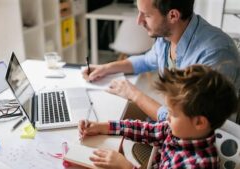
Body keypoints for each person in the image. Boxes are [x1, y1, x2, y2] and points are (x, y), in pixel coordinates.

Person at [83, 0, 240, 121]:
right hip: (174, 122)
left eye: (147, 15)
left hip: (204, 142)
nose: (139, 21)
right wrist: (107, 68)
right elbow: (147, 60)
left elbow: (186, 120)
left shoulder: (215, 54)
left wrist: (134, 94)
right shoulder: (167, 35)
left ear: (173, 15)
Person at [79, 65, 238, 169]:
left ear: (199, 122)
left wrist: (125, 166)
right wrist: (103, 127)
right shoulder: (181, 131)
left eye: (173, 114)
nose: (166, 117)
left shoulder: (197, 164)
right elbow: (146, 130)